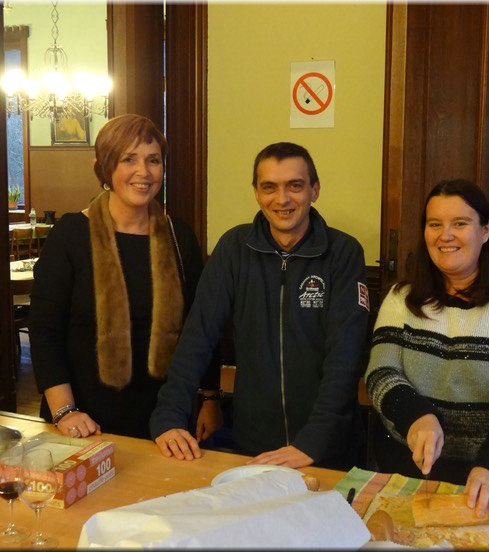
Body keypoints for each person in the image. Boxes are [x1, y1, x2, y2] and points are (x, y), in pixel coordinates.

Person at [149, 142, 370, 469]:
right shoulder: (233, 249)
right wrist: (169, 415)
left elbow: (345, 355)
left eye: (295, 186)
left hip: (328, 448)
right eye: (269, 187)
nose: (282, 199)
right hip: (253, 445)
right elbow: (198, 335)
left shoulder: (343, 252)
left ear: (315, 190)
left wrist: (313, 442)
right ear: (256, 192)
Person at [365, 179, 489, 520]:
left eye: (460, 223)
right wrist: (416, 416)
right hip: (409, 465)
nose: (445, 235)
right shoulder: (400, 297)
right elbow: (380, 374)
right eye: (435, 224)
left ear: (486, 230)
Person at [29, 114, 222, 440]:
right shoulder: (71, 235)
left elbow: (201, 326)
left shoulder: (179, 237)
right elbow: (44, 330)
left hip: (165, 418)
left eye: (153, 160)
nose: (143, 172)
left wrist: (210, 397)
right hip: (81, 420)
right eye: (128, 159)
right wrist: (65, 411)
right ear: (106, 168)